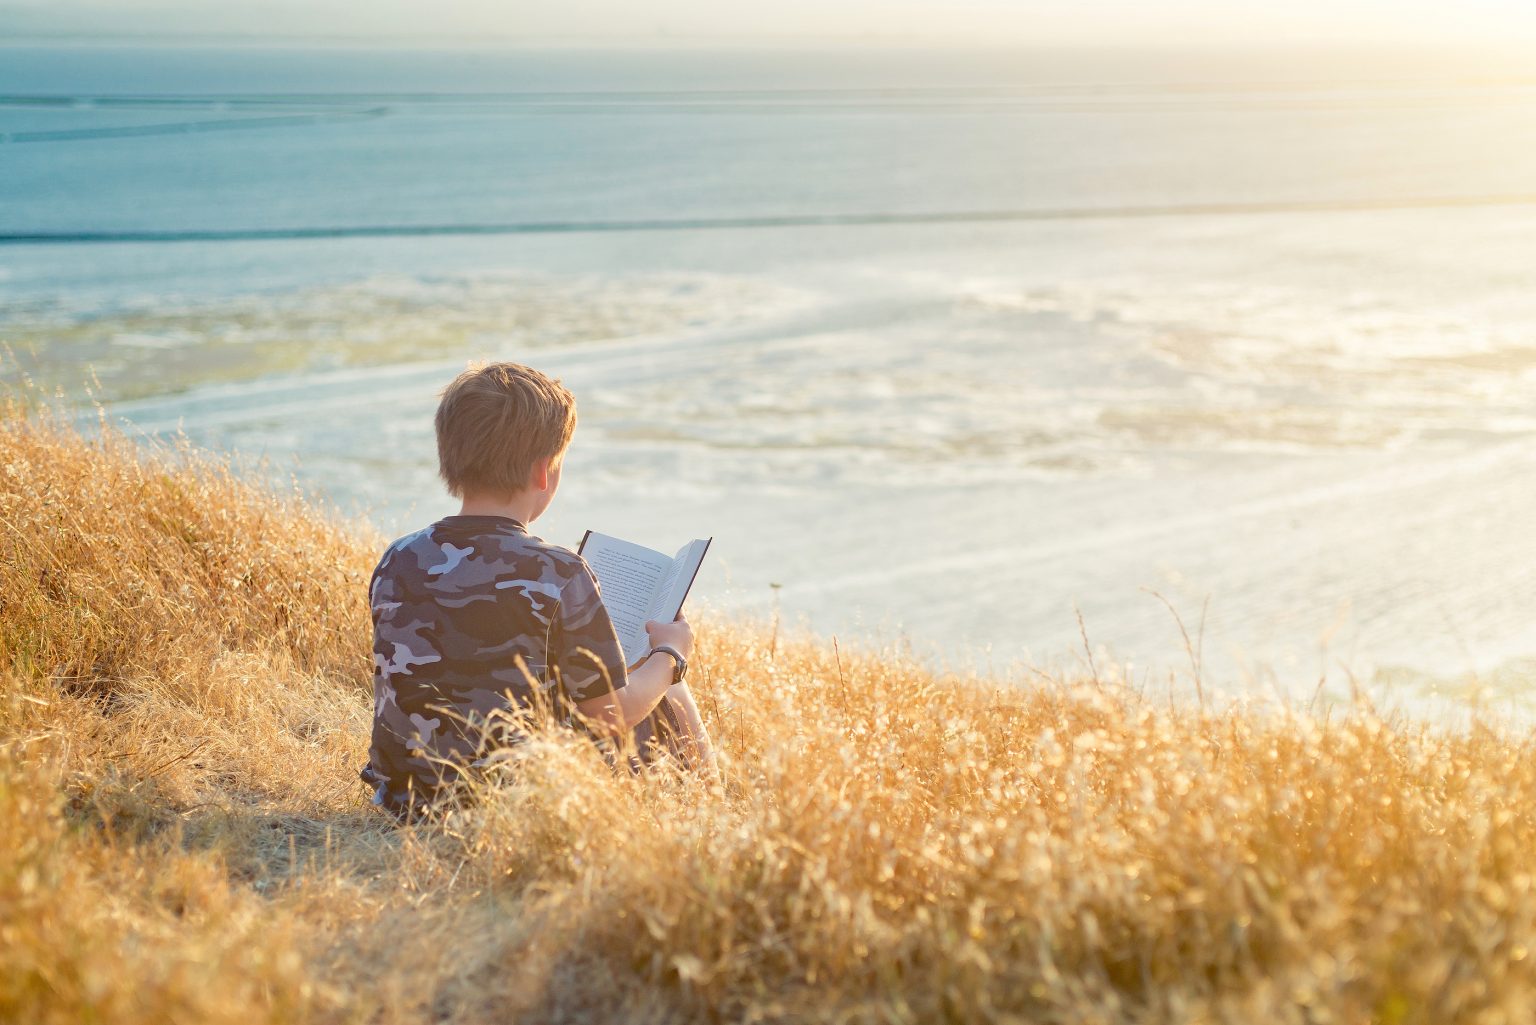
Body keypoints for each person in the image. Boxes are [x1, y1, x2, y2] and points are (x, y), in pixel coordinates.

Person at [359, 361, 714, 818]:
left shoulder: (399, 557)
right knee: (668, 688)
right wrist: (671, 655)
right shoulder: (560, 570)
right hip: (509, 809)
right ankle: (708, 820)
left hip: (404, 797)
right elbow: (610, 716)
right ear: (545, 472)